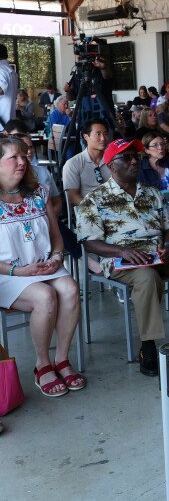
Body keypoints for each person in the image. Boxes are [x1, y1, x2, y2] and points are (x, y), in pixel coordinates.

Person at [78, 138, 169, 376]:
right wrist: (122, 251)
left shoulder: (152, 193)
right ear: (111, 166)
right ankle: (148, 346)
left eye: (136, 156)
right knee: (147, 277)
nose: (134, 161)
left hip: (159, 254)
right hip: (123, 260)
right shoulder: (94, 200)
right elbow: (89, 242)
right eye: (127, 158)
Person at [0, 136, 83, 397]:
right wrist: (18, 271)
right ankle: (42, 364)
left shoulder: (39, 192)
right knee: (45, 296)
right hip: (8, 273)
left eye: (24, 155)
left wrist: (57, 257)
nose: (22, 161)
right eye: (13, 157)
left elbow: (56, 236)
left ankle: (62, 359)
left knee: (70, 289)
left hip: (44, 265)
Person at [62, 119, 111, 208]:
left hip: (115, 208)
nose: (103, 138)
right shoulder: (73, 164)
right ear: (86, 136)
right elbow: (72, 197)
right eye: (98, 134)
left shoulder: (113, 160)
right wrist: (95, 208)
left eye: (105, 134)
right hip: (88, 210)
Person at [0, 44, 19, 130]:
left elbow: (1, 89)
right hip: (9, 122)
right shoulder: (11, 70)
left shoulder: (1, 70)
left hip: (2, 124)